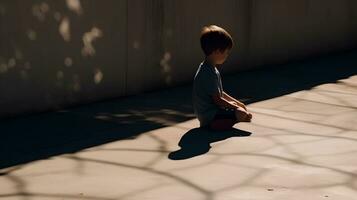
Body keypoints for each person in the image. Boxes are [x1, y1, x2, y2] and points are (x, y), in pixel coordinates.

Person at [192, 25, 253, 131]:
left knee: (241, 111)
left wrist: (238, 103)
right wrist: (235, 107)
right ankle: (214, 124)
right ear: (217, 51)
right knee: (241, 113)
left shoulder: (209, 68)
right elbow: (218, 100)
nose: (227, 55)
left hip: (209, 112)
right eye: (226, 52)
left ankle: (224, 120)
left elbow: (220, 93)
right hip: (208, 114)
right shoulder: (208, 72)